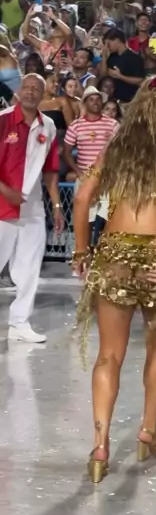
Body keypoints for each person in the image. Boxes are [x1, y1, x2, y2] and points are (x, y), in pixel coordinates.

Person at [72, 76, 156, 484]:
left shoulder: (116, 149)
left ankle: (100, 446)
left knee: (109, 355)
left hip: (113, 258)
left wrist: (80, 252)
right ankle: (148, 431)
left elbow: (81, 198)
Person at [0, 74, 64, 343]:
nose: (30, 92)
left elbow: (50, 170)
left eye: (36, 89)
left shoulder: (48, 125)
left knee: (29, 268)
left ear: (42, 94)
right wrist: (6, 192)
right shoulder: (3, 120)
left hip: (33, 208)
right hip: (2, 207)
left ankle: (20, 323)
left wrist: (57, 206)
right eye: (26, 87)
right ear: (19, 90)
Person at [63, 86, 119, 184]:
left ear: (102, 102)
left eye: (98, 99)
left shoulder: (112, 124)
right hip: (84, 176)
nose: (95, 102)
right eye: (91, 100)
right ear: (85, 103)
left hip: (106, 176)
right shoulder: (75, 125)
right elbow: (66, 153)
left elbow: (121, 149)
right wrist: (79, 173)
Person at [101, 28, 146, 104]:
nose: (107, 47)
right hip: (114, 100)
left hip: (130, 101)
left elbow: (140, 81)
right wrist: (104, 57)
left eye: (108, 44)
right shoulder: (112, 58)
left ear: (116, 40)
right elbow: (103, 76)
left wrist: (120, 76)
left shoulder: (135, 58)